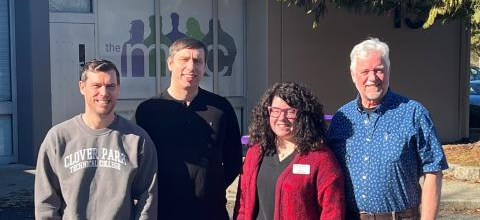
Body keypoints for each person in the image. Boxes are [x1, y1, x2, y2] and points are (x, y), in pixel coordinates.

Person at [326, 38, 448, 220]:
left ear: (388, 71)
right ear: (353, 75)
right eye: (364, 71)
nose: (372, 78)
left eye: (379, 70)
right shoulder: (342, 117)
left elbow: (433, 171)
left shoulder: (414, 113)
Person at [133, 37, 243, 220]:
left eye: (197, 61)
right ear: (170, 63)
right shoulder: (148, 111)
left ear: (204, 66)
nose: (191, 67)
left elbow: (233, 160)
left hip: (211, 212)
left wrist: (211, 187)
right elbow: (136, 162)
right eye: (184, 60)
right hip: (163, 212)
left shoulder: (220, 109)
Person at [35, 59, 158, 219]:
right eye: (96, 86)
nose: (104, 93)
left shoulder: (137, 140)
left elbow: (147, 199)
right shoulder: (59, 138)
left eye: (110, 86)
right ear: (82, 87)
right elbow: (46, 203)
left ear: (118, 89)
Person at [234, 82, 345, 220]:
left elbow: (332, 212)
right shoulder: (255, 152)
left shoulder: (321, 160)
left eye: (291, 111)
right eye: (275, 110)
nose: (282, 118)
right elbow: (243, 204)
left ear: (304, 116)